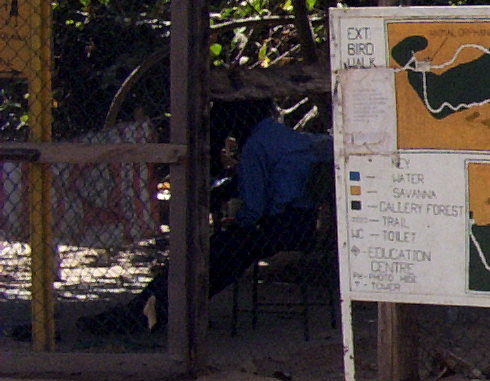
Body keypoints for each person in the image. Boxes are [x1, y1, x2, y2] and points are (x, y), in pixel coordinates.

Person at [79, 100, 331, 336]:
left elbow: (253, 208)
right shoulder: (290, 137)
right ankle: (160, 308)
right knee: (221, 252)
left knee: (212, 254)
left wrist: (239, 223)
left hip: (278, 227)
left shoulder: (257, 145)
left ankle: (154, 310)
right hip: (303, 223)